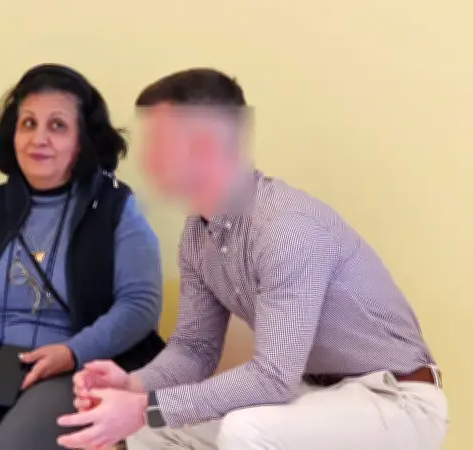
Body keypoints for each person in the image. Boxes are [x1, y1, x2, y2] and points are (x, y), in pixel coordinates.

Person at [57, 68, 448, 450]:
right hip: (314, 393)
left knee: (245, 431)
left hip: (394, 399)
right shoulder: (198, 234)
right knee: (149, 432)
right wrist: (134, 386)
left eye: (160, 141)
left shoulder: (286, 227)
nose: (147, 159)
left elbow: (274, 376)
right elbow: (194, 348)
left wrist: (145, 407)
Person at [0, 63, 165, 450]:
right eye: (28, 124)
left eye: (57, 126)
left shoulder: (115, 207)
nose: (39, 139)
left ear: (82, 140)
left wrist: (72, 352)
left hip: (75, 364)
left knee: (20, 442)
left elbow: (140, 304)